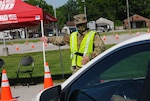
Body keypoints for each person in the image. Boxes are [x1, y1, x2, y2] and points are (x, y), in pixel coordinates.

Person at [41, 14, 105, 73]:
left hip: (90, 67)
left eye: (82, 24)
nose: (80, 27)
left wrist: (89, 57)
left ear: (86, 24)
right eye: (78, 25)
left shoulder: (93, 35)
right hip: (76, 70)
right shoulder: (72, 36)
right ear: (76, 25)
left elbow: (101, 48)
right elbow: (60, 40)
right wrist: (48, 39)